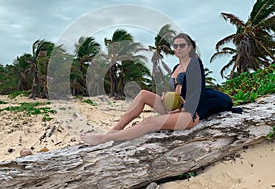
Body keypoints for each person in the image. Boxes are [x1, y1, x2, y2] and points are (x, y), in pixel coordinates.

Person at [81, 33, 233, 145]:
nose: (178, 48)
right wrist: (167, 95)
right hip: (176, 108)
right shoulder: (176, 67)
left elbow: (196, 94)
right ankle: (116, 128)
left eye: (182, 45)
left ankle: (105, 139)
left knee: (149, 122)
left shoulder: (194, 63)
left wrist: (180, 108)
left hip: (191, 113)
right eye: (176, 46)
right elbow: (176, 93)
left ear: (190, 47)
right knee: (143, 94)